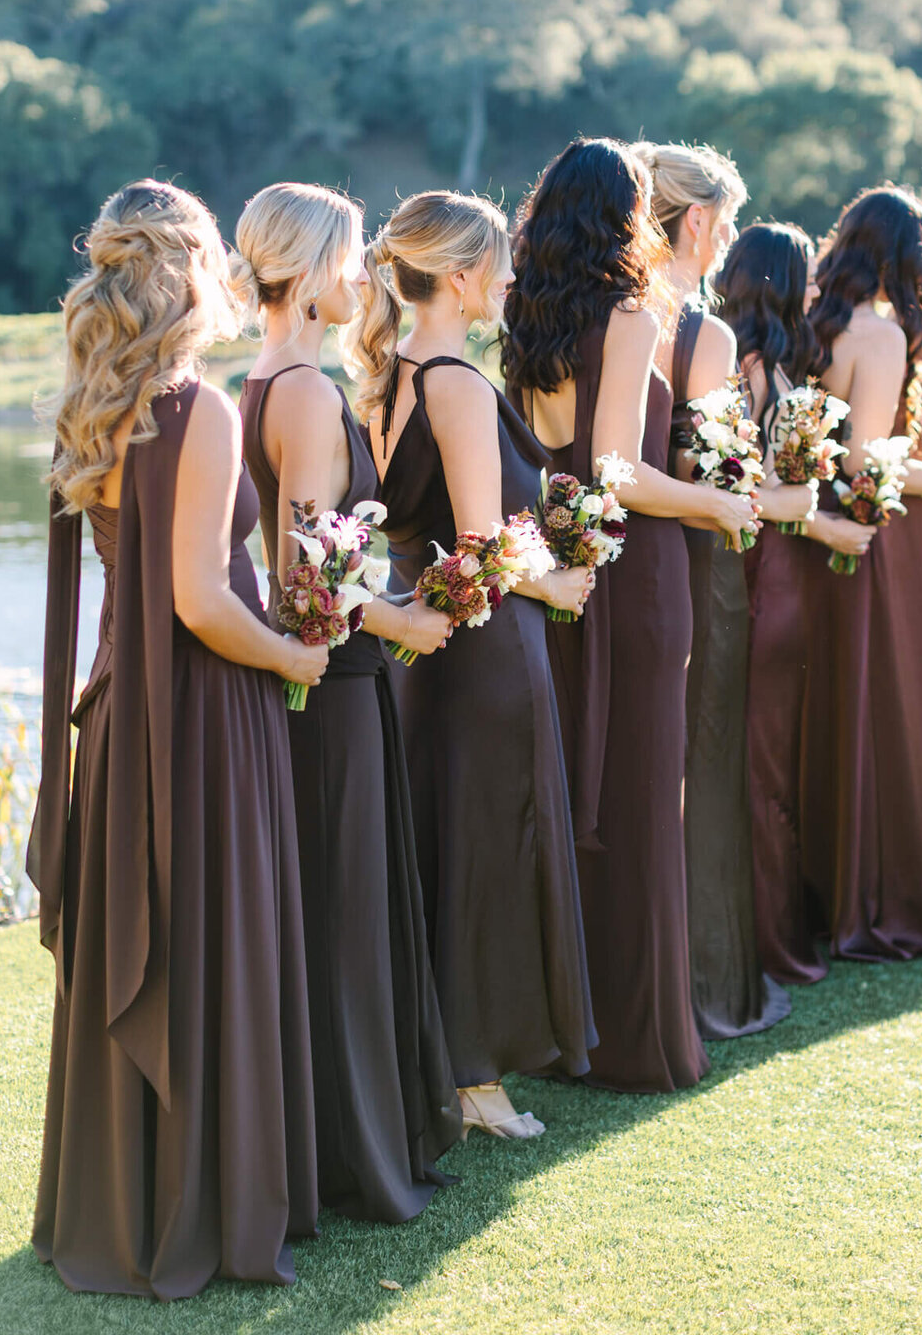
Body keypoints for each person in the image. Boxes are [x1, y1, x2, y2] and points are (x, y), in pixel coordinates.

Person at [28, 179, 325, 1299]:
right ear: (197, 269)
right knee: (211, 948)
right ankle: (203, 1209)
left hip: (116, 721)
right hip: (200, 719)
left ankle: (118, 1204)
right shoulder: (197, 407)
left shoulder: (94, 404)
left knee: (160, 945)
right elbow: (201, 601)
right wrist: (295, 657)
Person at [503, 137, 758, 1093]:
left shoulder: (528, 318)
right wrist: (720, 504)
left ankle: (566, 1026)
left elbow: (553, 463)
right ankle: (638, 1042)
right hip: (636, 574)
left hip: (563, 568)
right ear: (620, 214)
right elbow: (616, 471)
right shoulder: (627, 316)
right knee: (646, 799)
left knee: (581, 790)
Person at [234, 181, 462, 1218]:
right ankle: (353, 1152)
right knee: (347, 912)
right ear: (312, 266)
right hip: (337, 688)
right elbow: (307, 579)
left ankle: (345, 1135)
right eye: (352, 256)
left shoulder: (264, 376)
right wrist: (407, 620)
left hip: (325, 680)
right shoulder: (310, 394)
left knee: (339, 907)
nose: (364, 272)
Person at [358, 189, 596, 1139]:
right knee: (490, 852)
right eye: (496, 264)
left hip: (425, 646)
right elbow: (481, 542)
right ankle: (475, 1079)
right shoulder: (451, 381)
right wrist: (558, 588)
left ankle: (451, 1066)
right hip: (484, 647)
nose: (507, 278)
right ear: (458, 278)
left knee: (445, 850)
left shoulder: (383, 377)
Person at [632, 142, 797, 1038]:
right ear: (695, 222)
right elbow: (713, 476)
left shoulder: (595, 319)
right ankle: (704, 980)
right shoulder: (702, 335)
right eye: (726, 219)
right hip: (698, 569)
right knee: (705, 765)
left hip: (612, 571)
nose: (729, 238)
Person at [802, 185, 922, 962]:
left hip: (823, 538)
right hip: (880, 542)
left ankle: (830, 887)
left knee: (842, 707)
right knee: (890, 712)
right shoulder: (878, 334)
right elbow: (867, 459)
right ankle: (885, 898)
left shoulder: (819, 318)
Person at [717, 222, 875, 984]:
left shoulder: (771, 370)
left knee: (769, 757)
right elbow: (738, 489)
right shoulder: (747, 373)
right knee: (759, 759)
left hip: (782, 574)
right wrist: (813, 512)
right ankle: (762, 940)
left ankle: (776, 929)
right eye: (805, 277)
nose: (817, 290)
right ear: (778, 283)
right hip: (760, 577)